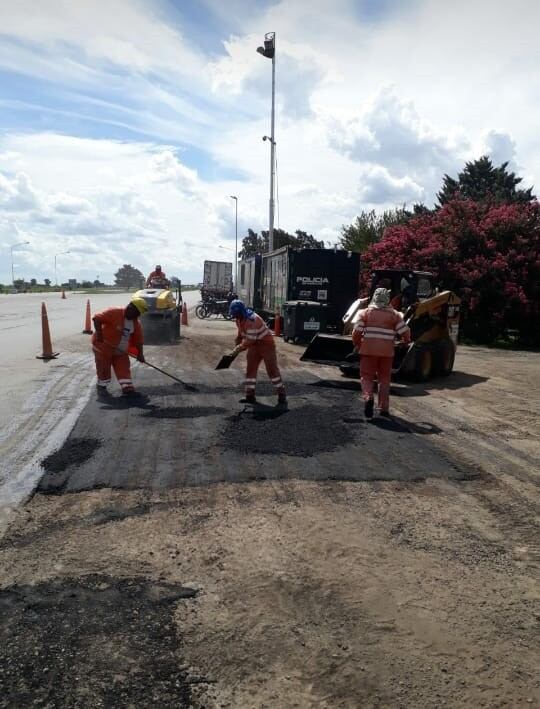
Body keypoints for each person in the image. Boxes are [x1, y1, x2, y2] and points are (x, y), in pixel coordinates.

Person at [352, 288, 411, 419]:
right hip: (387, 353)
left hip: (368, 351)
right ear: (388, 299)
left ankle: (368, 397)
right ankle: (383, 408)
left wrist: (358, 344)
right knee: (384, 379)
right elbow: (405, 332)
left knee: (367, 376)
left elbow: (356, 333)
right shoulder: (395, 315)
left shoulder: (365, 313)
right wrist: (406, 342)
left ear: (374, 298)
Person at [228, 299, 287, 405]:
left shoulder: (252, 320)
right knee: (250, 369)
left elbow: (250, 340)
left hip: (266, 345)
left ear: (241, 312)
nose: (235, 317)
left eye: (236, 314)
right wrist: (238, 340)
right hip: (254, 346)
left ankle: (281, 394)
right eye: (234, 315)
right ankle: (249, 396)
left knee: (272, 370)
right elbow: (241, 332)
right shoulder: (239, 319)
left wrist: (238, 349)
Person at [92, 298, 148, 397]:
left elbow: (139, 340)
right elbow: (97, 318)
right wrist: (99, 334)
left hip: (121, 351)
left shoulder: (136, 324)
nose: (137, 316)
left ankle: (127, 386)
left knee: (123, 367)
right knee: (103, 368)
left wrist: (140, 354)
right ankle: (102, 386)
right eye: (136, 313)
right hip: (104, 348)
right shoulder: (114, 312)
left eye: (138, 314)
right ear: (130, 307)